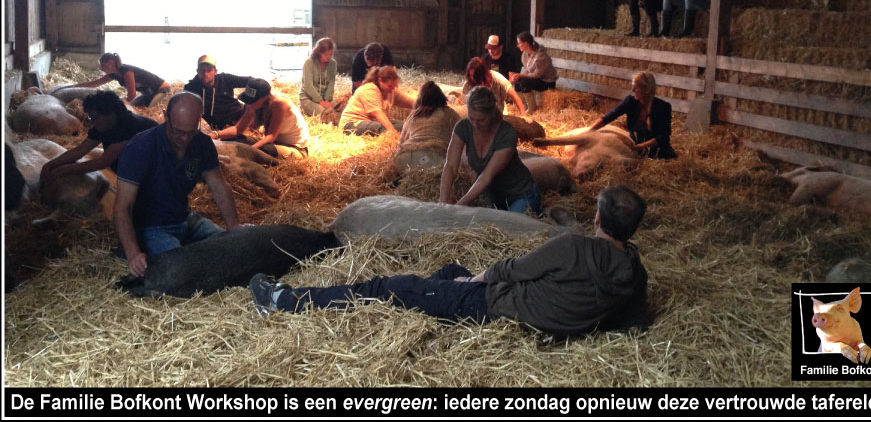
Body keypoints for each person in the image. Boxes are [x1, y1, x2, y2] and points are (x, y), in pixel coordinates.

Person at [249, 185, 649, 338]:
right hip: (524, 308)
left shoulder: (573, 248)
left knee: (381, 287)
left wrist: (476, 281)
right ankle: (430, 293)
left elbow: (510, 269)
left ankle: (283, 301)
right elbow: (631, 321)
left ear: (597, 218)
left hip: (494, 305)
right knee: (448, 273)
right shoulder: (634, 270)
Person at [113, 92, 241, 277]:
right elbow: (122, 207)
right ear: (165, 116)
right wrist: (133, 253)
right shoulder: (140, 148)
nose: (184, 139)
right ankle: (128, 251)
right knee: (181, 271)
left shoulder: (202, 143)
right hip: (151, 227)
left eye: (191, 132)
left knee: (231, 247)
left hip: (185, 219)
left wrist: (234, 227)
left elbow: (219, 187)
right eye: (178, 131)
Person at [439, 86, 540, 214]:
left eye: (481, 120)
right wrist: (442, 204)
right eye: (471, 118)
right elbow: (451, 166)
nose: (475, 125)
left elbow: (487, 176)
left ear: (491, 114)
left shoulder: (506, 133)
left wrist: (459, 206)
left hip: (520, 195)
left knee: (509, 229)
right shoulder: (463, 127)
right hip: (492, 198)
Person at [38, 90, 157, 188]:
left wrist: (63, 170)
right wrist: (50, 165)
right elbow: (80, 150)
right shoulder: (103, 125)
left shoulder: (128, 126)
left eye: (94, 117)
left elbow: (102, 162)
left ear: (110, 114)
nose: (91, 122)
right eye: (90, 117)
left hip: (154, 171)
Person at [588, 71, 676, 159]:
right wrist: (588, 132)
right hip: (635, 147)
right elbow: (607, 118)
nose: (632, 90)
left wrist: (639, 147)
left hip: (657, 153)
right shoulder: (630, 102)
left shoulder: (663, 107)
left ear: (646, 89)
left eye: (636, 87)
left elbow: (663, 137)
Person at [215, 78, 309, 158]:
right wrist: (215, 134)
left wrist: (250, 150)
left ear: (265, 97)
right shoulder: (253, 105)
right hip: (275, 144)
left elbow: (271, 136)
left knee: (264, 150)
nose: (249, 104)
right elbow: (237, 129)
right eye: (248, 100)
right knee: (231, 140)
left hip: (295, 148)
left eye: (253, 101)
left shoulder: (279, 104)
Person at [394, 81, 461, 173]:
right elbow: (462, 136)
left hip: (405, 156)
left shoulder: (413, 116)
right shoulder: (449, 113)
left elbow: (401, 142)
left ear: (420, 99)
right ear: (441, 97)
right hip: (433, 156)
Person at [62, 53, 170, 107]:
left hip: (162, 90)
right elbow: (94, 83)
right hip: (148, 93)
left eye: (104, 66)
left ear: (111, 63)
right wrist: (71, 87)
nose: (103, 68)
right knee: (134, 105)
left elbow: (131, 95)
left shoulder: (127, 72)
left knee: (148, 108)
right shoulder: (114, 75)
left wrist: (117, 104)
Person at [340, 66, 414, 136]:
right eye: (390, 86)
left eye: (395, 86)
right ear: (380, 80)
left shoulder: (391, 91)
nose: (393, 89)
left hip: (371, 122)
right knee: (385, 128)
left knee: (405, 125)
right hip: (352, 124)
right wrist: (392, 131)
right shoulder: (370, 89)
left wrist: (423, 105)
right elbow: (376, 112)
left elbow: (409, 102)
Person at [183, 55, 252, 130]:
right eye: (202, 70)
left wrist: (245, 96)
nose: (205, 74)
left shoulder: (225, 79)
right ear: (197, 71)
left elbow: (252, 81)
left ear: (215, 71)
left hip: (240, 120)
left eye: (209, 70)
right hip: (218, 129)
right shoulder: (191, 88)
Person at [509, 32, 557, 112]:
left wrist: (521, 75)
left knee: (524, 81)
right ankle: (523, 106)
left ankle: (532, 108)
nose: (518, 46)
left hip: (546, 82)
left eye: (519, 43)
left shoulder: (541, 56)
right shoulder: (524, 54)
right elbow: (527, 70)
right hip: (535, 78)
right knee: (517, 81)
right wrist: (518, 76)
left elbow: (537, 75)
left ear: (526, 43)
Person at [462, 57, 526, 116]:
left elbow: (514, 96)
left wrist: (523, 115)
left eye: (475, 75)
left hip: (497, 114)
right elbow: (464, 98)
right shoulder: (469, 82)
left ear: (482, 74)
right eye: (470, 75)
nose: (472, 78)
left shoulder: (498, 80)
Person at [298, 38, 338, 116]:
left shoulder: (333, 63)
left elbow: (331, 83)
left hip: (324, 98)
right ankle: (304, 109)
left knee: (338, 110)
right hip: (308, 97)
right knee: (324, 113)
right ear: (319, 53)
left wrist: (327, 100)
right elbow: (308, 86)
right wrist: (321, 102)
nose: (329, 57)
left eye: (331, 54)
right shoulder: (309, 62)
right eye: (326, 54)